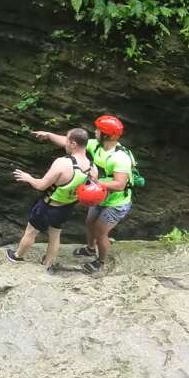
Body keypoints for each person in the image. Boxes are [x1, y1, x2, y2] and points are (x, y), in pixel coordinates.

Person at [6, 128, 94, 270]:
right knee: (55, 234)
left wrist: (28, 178)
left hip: (48, 205)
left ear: (73, 144)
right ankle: (48, 262)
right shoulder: (92, 168)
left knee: (31, 231)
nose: (64, 143)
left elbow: (41, 185)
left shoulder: (63, 163)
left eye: (66, 141)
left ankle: (17, 256)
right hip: (67, 206)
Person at [73, 115, 133, 274]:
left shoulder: (120, 158)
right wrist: (49, 136)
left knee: (100, 233)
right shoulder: (97, 146)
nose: (95, 132)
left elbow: (119, 185)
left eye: (98, 130)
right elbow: (75, 143)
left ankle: (101, 261)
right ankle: (90, 249)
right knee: (89, 223)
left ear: (106, 135)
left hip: (116, 203)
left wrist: (95, 182)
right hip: (100, 197)